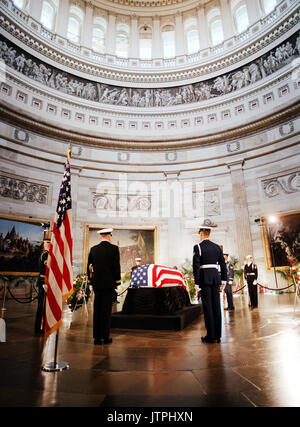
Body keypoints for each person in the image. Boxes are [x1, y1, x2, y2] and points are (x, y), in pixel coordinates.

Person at [193, 226, 227, 344]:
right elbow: (223, 264)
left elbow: (196, 266)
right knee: (216, 306)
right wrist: (224, 280)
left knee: (208, 308)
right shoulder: (217, 247)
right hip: (215, 278)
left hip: (205, 279)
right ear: (209, 233)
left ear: (202, 233)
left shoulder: (198, 247)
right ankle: (218, 335)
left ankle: (210, 336)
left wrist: (196, 282)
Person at [87, 228, 121, 345]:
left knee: (97, 310)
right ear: (109, 235)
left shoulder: (93, 249)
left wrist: (91, 281)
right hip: (108, 284)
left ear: (101, 236)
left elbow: (90, 267)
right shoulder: (114, 249)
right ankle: (105, 337)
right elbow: (116, 267)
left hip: (97, 284)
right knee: (106, 311)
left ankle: (97, 338)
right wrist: (117, 282)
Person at [34, 239, 50, 335]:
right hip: (44, 283)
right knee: (42, 306)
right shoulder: (46, 255)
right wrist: (44, 282)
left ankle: (41, 327)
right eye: (45, 243)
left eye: (46, 243)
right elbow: (43, 270)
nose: (45, 245)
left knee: (43, 306)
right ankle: (40, 328)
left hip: (45, 283)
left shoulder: (45, 254)